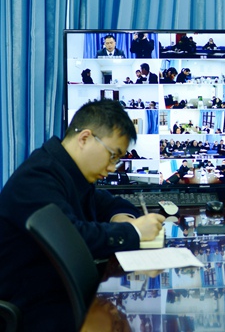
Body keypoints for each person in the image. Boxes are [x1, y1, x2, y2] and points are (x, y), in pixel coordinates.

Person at [0, 99, 165, 331]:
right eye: (112, 155)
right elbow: (73, 239)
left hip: (62, 293)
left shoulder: (68, 172)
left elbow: (110, 203)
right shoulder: (38, 176)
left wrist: (121, 216)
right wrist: (135, 231)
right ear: (85, 138)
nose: (112, 167)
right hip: (35, 306)